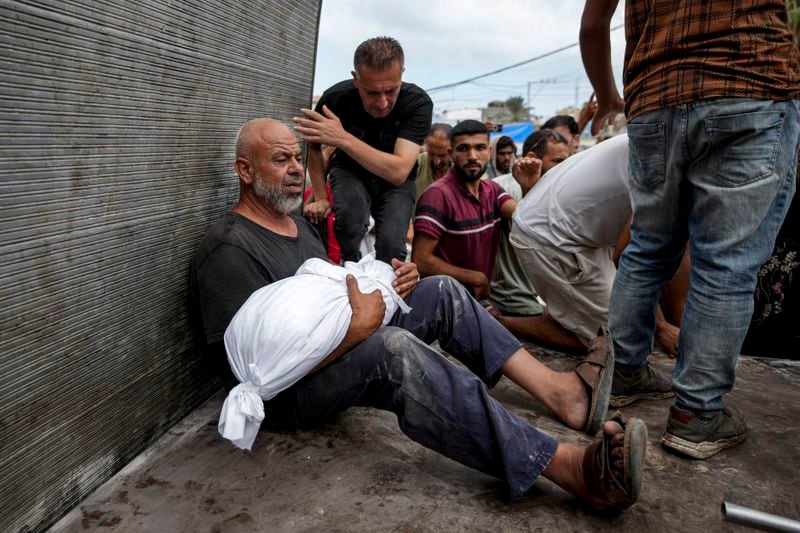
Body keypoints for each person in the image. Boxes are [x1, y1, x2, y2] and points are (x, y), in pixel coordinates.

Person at [190, 118, 647, 512]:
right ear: (245, 170)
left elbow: (327, 297)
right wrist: (359, 328)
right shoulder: (228, 250)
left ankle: (562, 394)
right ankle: (564, 467)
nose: (295, 170)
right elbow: (253, 374)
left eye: (297, 157)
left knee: (441, 290)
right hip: (287, 397)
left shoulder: (297, 227)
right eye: (280, 160)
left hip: (338, 345)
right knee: (394, 352)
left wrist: (388, 286)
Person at [581, 0, 800, 458]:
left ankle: (621, 374)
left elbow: (594, 23)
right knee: (727, 263)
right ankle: (697, 415)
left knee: (648, 246)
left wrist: (606, 97)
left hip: (654, 98)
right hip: (749, 83)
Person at [507, 135, 682, 363]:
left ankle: (565, 316)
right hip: (552, 238)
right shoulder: (674, 159)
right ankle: (501, 323)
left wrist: (676, 327)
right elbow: (631, 260)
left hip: (579, 233)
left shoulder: (665, 131)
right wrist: (661, 327)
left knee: (626, 327)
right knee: (624, 340)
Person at [295, 36, 432, 264]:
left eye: (391, 90)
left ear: (402, 74)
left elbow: (398, 171)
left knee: (392, 245)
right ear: (356, 79)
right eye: (372, 93)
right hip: (350, 171)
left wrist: (343, 138)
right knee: (350, 220)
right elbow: (313, 144)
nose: (382, 102)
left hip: (395, 183)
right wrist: (320, 195)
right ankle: (348, 267)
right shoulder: (335, 99)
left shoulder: (417, 103)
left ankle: (387, 290)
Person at [412, 121, 516, 300]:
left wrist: (529, 186)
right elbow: (421, 260)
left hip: (477, 300)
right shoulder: (438, 195)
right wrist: (475, 278)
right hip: (446, 303)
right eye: (463, 149)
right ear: (452, 154)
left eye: (480, 148)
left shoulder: (492, 190)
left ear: (489, 152)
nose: (472, 156)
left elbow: (522, 217)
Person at [489, 129, 570, 318]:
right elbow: (530, 229)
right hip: (516, 297)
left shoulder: (559, 189)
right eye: (558, 162)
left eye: (568, 161)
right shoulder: (503, 187)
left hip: (545, 294)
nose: (565, 168)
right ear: (533, 158)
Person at [416, 123, 453, 201]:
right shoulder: (417, 163)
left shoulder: (462, 169)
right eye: (431, 154)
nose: (437, 161)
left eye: (442, 155)